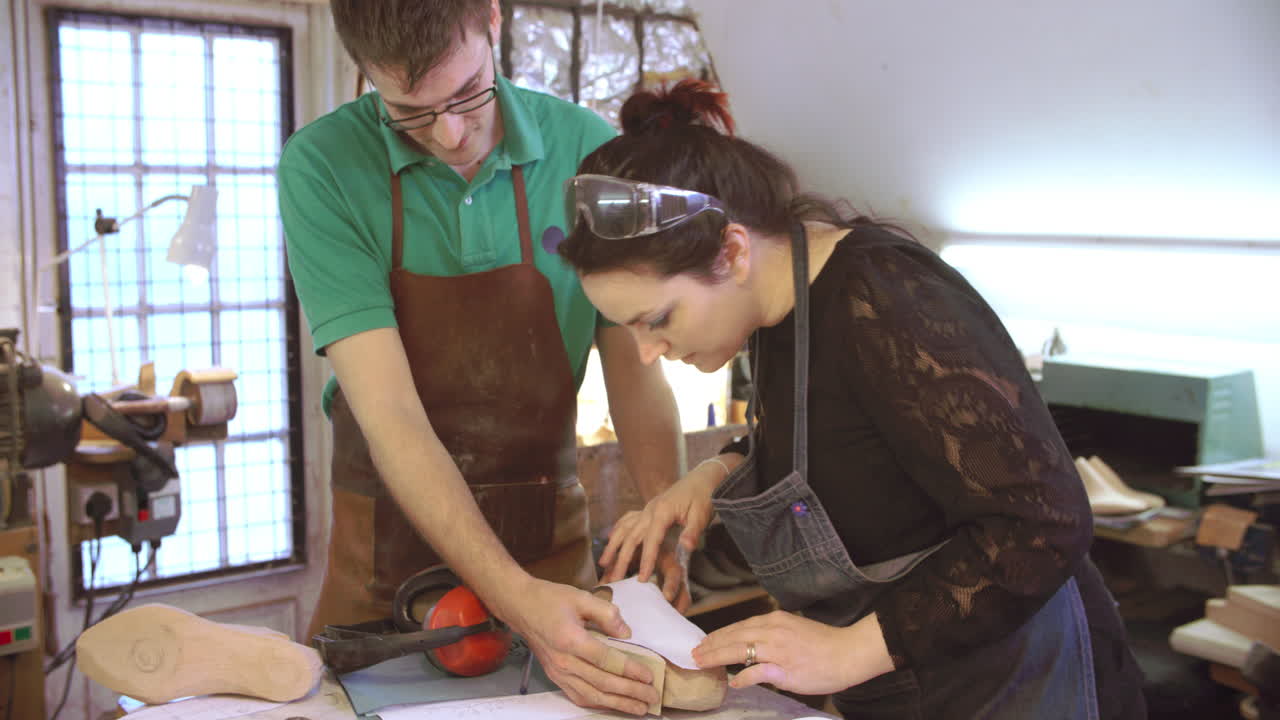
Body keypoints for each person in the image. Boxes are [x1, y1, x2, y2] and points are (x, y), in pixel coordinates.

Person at [558, 80, 1148, 719]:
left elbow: (1044, 524)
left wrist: (852, 650)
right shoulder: (776, 314)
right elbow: (851, 439)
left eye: (658, 319)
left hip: (1018, 679)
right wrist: (713, 473)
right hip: (912, 687)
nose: (649, 352)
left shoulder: (887, 301)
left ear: (731, 252)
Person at [276, 1, 688, 714]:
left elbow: (637, 375)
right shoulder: (324, 168)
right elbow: (394, 419)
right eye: (408, 111)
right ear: (362, 70)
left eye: (468, 92)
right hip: (385, 578)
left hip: (551, 560)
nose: (449, 133)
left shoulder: (586, 153)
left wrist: (665, 526)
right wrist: (514, 599)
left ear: (492, 21)